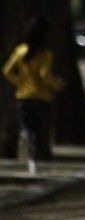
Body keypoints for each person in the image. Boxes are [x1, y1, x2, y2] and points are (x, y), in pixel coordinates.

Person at [3, 17, 65, 175]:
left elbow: (7, 70)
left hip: (23, 95)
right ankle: (33, 162)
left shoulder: (20, 50)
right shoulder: (45, 54)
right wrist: (56, 85)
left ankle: (25, 147)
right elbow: (45, 75)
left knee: (28, 127)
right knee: (38, 130)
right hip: (41, 96)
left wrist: (19, 82)